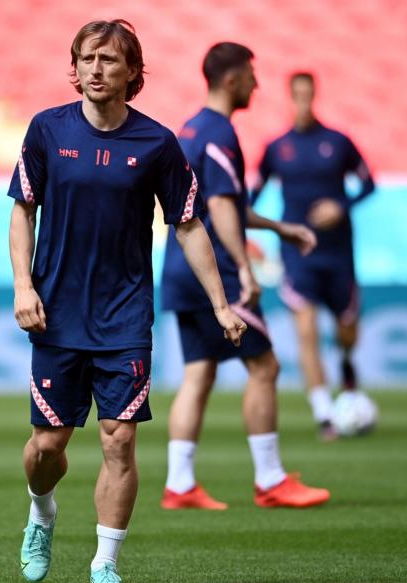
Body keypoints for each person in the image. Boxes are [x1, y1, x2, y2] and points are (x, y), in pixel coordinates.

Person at [9, 20, 247, 583]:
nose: (96, 69)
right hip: (58, 314)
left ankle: (104, 563)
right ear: (75, 67)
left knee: (119, 438)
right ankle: (41, 511)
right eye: (87, 58)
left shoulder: (158, 143)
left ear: (133, 72)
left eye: (109, 60)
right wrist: (23, 285)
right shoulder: (46, 130)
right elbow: (23, 210)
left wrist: (221, 303)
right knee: (48, 446)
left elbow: (188, 225)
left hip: (125, 317)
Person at [160, 43, 330, 511]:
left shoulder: (190, 130)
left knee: (199, 373)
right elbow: (218, 207)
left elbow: (224, 202)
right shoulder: (219, 134)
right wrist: (242, 266)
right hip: (213, 272)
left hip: (178, 269)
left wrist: (280, 228)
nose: (257, 83)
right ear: (232, 80)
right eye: (251, 75)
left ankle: (179, 484)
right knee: (265, 366)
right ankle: (270, 479)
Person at [251, 72, 377, 439]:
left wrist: (341, 205)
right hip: (297, 252)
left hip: (338, 253)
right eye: (298, 96)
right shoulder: (278, 148)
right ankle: (325, 414)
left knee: (347, 331)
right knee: (305, 329)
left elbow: (368, 183)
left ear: (314, 95)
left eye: (309, 95)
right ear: (291, 97)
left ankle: (348, 365)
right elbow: (252, 195)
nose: (304, 102)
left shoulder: (338, 142)